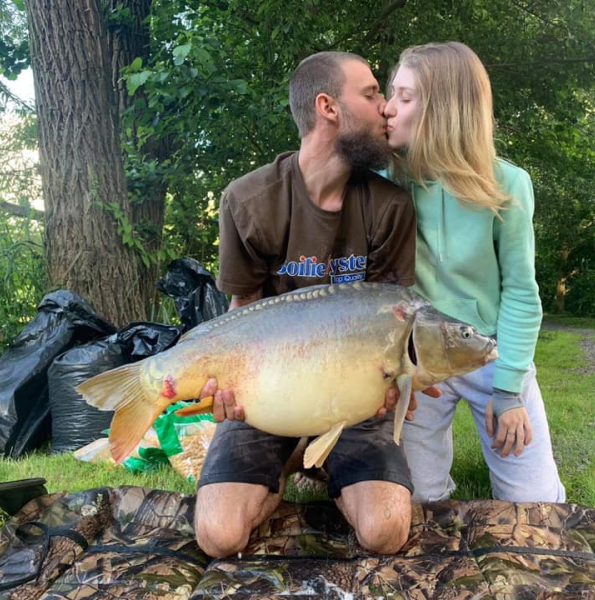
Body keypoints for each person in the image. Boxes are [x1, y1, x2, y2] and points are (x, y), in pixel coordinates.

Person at [193, 51, 419, 559]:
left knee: (384, 532)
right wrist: (225, 387)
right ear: (328, 107)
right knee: (219, 536)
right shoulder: (248, 200)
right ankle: (294, 457)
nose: (385, 108)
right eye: (371, 94)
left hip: (352, 400)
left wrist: (393, 385)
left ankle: (322, 460)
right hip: (266, 395)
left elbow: (394, 321)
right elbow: (242, 309)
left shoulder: (390, 206)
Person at [382, 42, 566, 503]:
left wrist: (509, 390)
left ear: (443, 110)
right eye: (391, 93)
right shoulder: (386, 183)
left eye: (405, 97)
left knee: (537, 507)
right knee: (415, 501)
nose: (388, 108)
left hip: (490, 353)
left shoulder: (508, 184)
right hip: (420, 358)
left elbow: (521, 292)